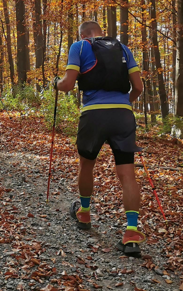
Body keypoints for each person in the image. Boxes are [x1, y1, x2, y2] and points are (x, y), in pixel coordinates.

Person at [55, 21, 146, 257]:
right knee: (127, 173)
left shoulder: (80, 46)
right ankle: (132, 234)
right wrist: (123, 105)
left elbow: (68, 84)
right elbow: (138, 86)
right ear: (101, 32)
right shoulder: (123, 49)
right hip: (123, 115)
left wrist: (56, 84)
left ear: (83, 33)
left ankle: (84, 213)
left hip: (93, 115)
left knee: (87, 164)